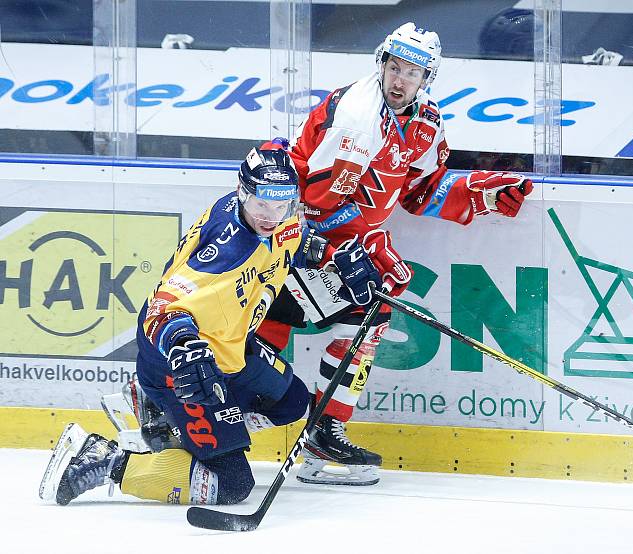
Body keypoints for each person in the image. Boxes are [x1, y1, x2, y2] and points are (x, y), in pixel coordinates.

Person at [255, 22, 535, 486]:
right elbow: (318, 202)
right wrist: (354, 247)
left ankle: (321, 430)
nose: (399, 79)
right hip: (299, 232)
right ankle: (213, 409)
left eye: (412, 72)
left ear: (428, 79)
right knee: (273, 319)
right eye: (394, 67)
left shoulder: (425, 120)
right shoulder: (355, 118)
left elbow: (418, 190)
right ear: (381, 64)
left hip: (348, 240)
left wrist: (478, 194)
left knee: (366, 316)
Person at [39, 142, 381, 506]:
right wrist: (184, 346)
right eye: (261, 204)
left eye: (281, 205)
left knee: (293, 403)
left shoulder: (278, 216)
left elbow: (292, 241)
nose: (270, 215)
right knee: (232, 485)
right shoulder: (225, 253)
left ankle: (174, 424)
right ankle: (104, 459)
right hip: (184, 364)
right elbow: (160, 311)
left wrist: (333, 257)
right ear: (242, 192)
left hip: (232, 346)